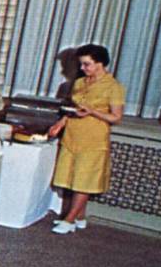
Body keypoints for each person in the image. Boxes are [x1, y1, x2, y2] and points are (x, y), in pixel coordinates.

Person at [47, 43, 124, 234]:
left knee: (84, 181)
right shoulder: (80, 83)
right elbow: (73, 108)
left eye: (86, 64)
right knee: (71, 179)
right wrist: (60, 123)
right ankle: (80, 218)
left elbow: (116, 118)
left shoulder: (114, 87)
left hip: (93, 140)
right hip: (73, 136)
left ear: (100, 63)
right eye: (82, 64)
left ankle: (69, 219)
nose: (82, 68)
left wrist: (93, 112)